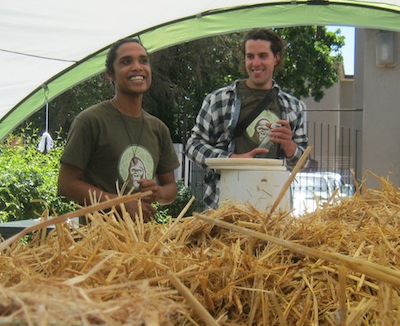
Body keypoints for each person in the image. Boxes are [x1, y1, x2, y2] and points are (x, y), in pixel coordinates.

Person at [58, 38, 180, 222]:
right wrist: (120, 202)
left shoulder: (158, 128)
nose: (137, 67)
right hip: (96, 242)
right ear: (110, 74)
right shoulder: (91, 121)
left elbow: (170, 188)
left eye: (143, 61)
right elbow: (66, 184)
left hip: (143, 241)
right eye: (126, 61)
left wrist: (158, 192)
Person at [185, 28, 308, 209]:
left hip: (273, 208)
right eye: (250, 56)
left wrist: (289, 146)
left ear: (277, 58)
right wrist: (231, 159)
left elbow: (302, 164)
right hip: (225, 205)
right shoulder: (218, 100)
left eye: (262, 55)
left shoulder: (293, 107)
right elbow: (193, 145)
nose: (255, 63)